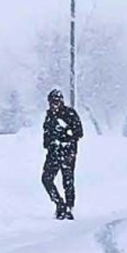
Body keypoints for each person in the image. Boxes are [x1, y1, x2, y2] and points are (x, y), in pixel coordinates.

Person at [42, 89, 83, 220]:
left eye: (56, 101)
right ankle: (60, 204)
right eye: (52, 102)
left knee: (68, 181)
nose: (54, 104)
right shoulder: (49, 116)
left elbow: (79, 132)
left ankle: (69, 208)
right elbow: (47, 132)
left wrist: (66, 136)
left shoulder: (70, 113)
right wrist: (48, 143)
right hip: (53, 153)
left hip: (67, 152)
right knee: (46, 179)